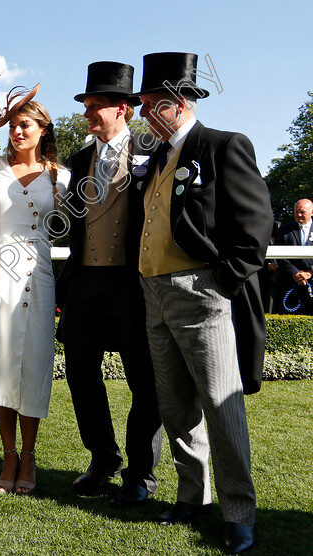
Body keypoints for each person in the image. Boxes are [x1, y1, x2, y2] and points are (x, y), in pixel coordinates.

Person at [136, 52, 271, 554]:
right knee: (175, 407)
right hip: (154, 294)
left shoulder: (223, 146)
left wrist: (221, 284)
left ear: (176, 103)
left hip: (201, 293)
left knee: (221, 404)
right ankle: (193, 495)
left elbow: (255, 227)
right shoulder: (156, 159)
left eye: (149, 103)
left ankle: (239, 512)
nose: (143, 112)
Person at [55, 61, 162, 506]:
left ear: (124, 109)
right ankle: (103, 459)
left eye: (96, 106)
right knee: (81, 375)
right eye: (86, 106)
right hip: (83, 286)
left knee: (144, 381)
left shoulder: (152, 150)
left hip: (131, 285)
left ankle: (141, 473)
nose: (87, 114)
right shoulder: (78, 161)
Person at [0, 87, 69, 495]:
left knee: (34, 363)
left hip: (36, 277)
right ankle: (8, 454)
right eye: (15, 125)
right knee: (0, 361)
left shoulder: (61, 177)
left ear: (43, 129)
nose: (18, 131)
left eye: (27, 125)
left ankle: (31, 456)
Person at [274, 199, 313, 314]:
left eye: (302, 212)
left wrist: (309, 273)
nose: (298, 215)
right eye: (296, 212)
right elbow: (279, 256)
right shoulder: (283, 231)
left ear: (312, 212)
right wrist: (295, 273)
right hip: (290, 283)